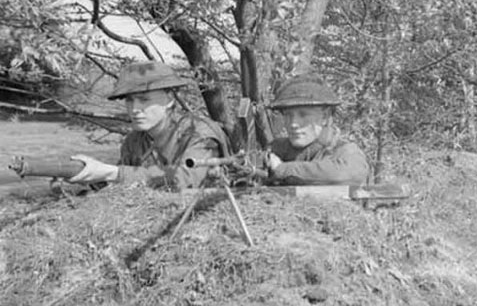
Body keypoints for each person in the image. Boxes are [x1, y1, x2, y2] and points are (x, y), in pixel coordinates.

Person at [68, 61, 229, 190]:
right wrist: (89, 174)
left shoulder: (198, 132)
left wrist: (112, 173)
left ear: (170, 99)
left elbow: (188, 178)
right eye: (129, 100)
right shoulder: (134, 141)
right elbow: (123, 181)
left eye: (144, 100)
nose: (134, 109)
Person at [264, 75, 369, 186]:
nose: (293, 124)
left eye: (303, 115)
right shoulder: (276, 149)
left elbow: (346, 174)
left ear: (325, 116)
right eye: (288, 115)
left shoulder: (345, 152)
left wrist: (282, 169)